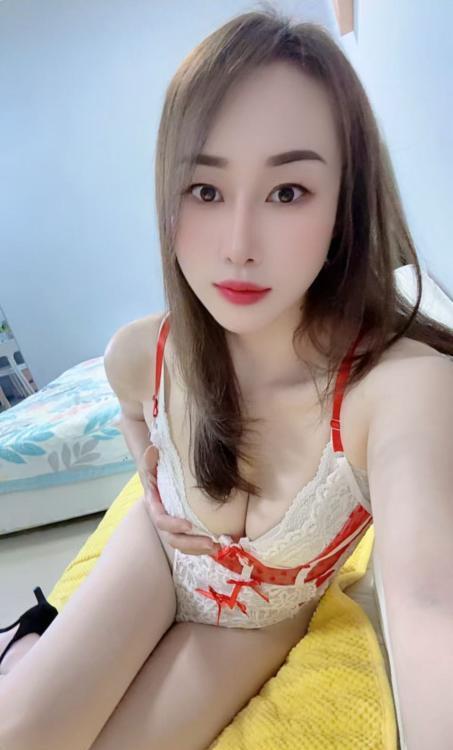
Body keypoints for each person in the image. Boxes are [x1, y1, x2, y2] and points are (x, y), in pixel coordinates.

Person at [1, 7, 453, 750]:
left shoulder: (398, 387)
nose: (238, 246)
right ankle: (28, 641)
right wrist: (149, 475)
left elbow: (432, 604)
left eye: (287, 192)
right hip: (158, 557)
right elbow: (131, 408)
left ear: (345, 202)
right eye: (205, 191)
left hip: (255, 618)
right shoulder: (143, 351)